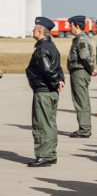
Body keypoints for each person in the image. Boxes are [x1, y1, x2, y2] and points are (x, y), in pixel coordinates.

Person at [25, 17, 65, 166]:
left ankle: (44, 156)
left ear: (40, 31)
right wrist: (60, 81)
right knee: (50, 124)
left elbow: (48, 70)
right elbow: (58, 68)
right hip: (51, 92)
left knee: (41, 124)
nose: (32, 30)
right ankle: (50, 154)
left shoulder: (42, 50)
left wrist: (55, 81)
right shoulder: (52, 47)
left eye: (35, 28)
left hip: (43, 92)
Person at [67, 15, 95, 138]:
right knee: (83, 100)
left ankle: (84, 129)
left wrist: (91, 69)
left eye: (71, 25)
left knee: (80, 101)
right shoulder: (80, 38)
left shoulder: (81, 39)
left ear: (77, 26)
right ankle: (85, 127)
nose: (69, 28)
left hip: (79, 72)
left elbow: (84, 56)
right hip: (80, 71)